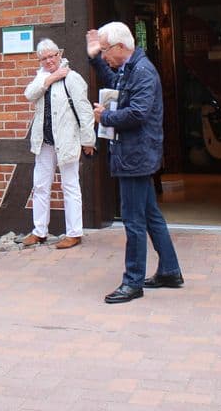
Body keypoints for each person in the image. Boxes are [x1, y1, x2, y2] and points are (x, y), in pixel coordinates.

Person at [88, 22, 183, 304]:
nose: (105, 56)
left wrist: (104, 117)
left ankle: (133, 282)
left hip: (136, 156)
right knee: (150, 215)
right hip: (136, 153)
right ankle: (169, 270)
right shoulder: (131, 67)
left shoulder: (141, 71)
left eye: (105, 50)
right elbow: (111, 79)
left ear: (120, 47)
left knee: (133, 220)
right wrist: (94, 56)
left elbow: (138, 113)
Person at [22, 39, 96, 250]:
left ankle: (74, 233)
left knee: (70, 185)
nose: (48, 61)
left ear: (59, 54)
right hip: (44, 142)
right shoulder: (41, 77)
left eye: (51, 56)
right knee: (40, 185)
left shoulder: (72, 78)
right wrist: (50, 78)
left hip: (67, 141)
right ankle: (39, 231)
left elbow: (84, 110)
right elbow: (29, 94)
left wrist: (88, 140)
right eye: (43, 58)